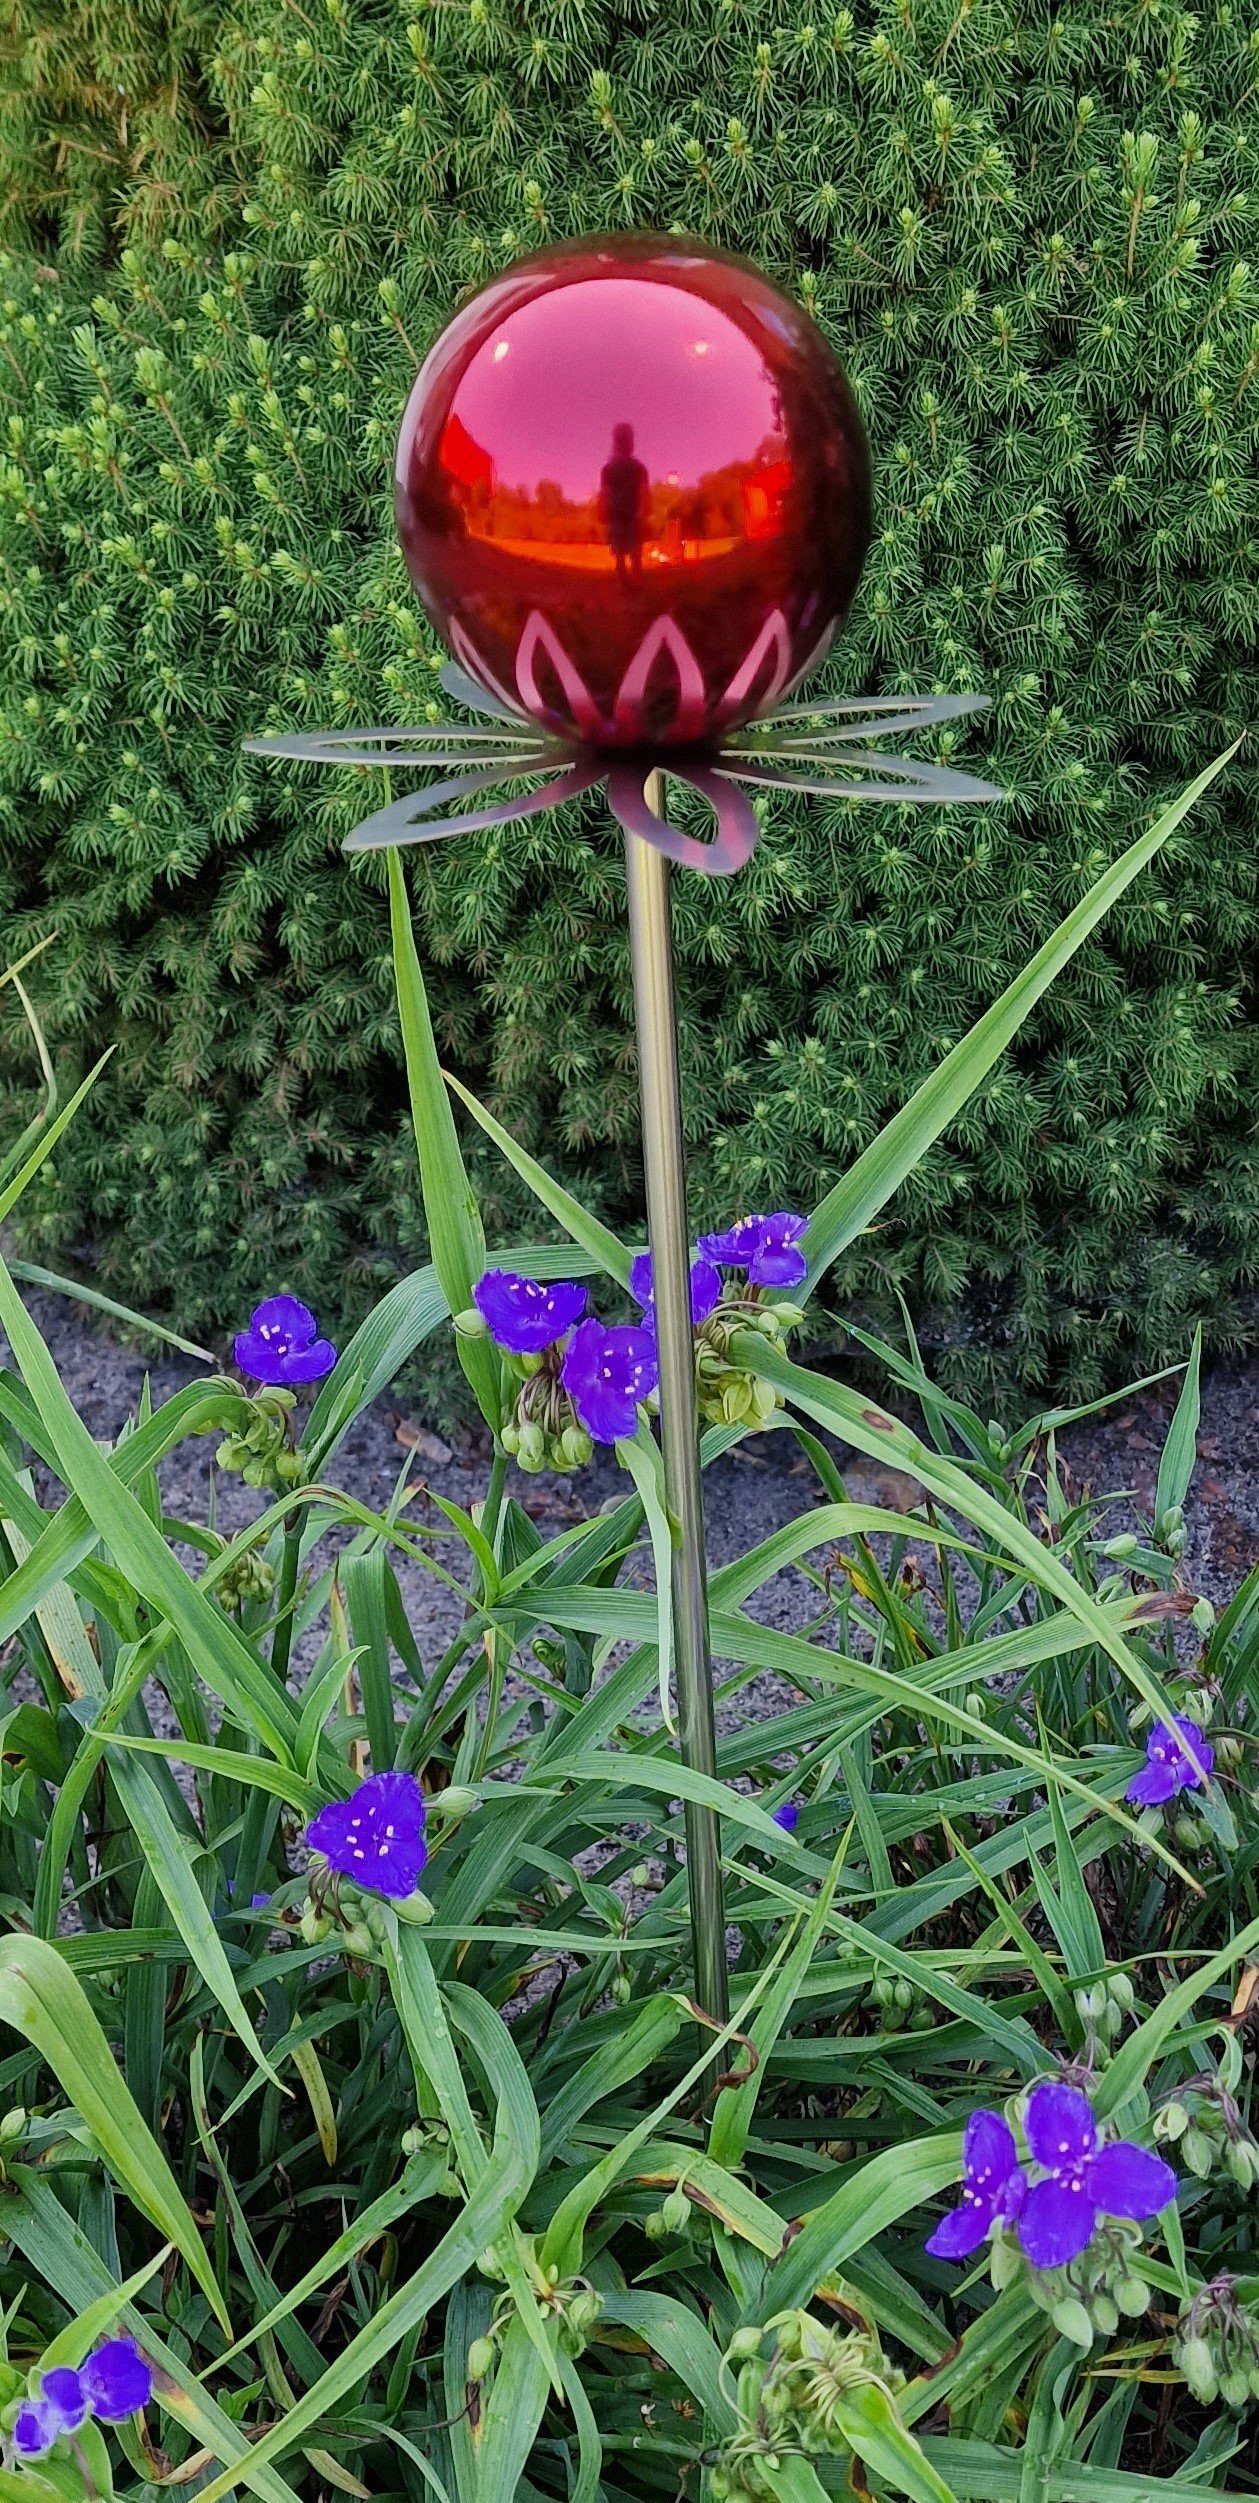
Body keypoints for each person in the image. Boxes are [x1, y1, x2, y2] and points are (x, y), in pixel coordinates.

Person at [599, 422, 650, 580]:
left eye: (625, 439)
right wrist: (603, 511)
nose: (624, 443)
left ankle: (634, 584)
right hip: (618, 516)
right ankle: (628, 584)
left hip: (631, 516)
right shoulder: (609, 469)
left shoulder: (638, 467)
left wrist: (643, 511)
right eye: (622, 440)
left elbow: (643, 491)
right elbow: (604, 493)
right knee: (621, 554)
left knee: (633, 553)